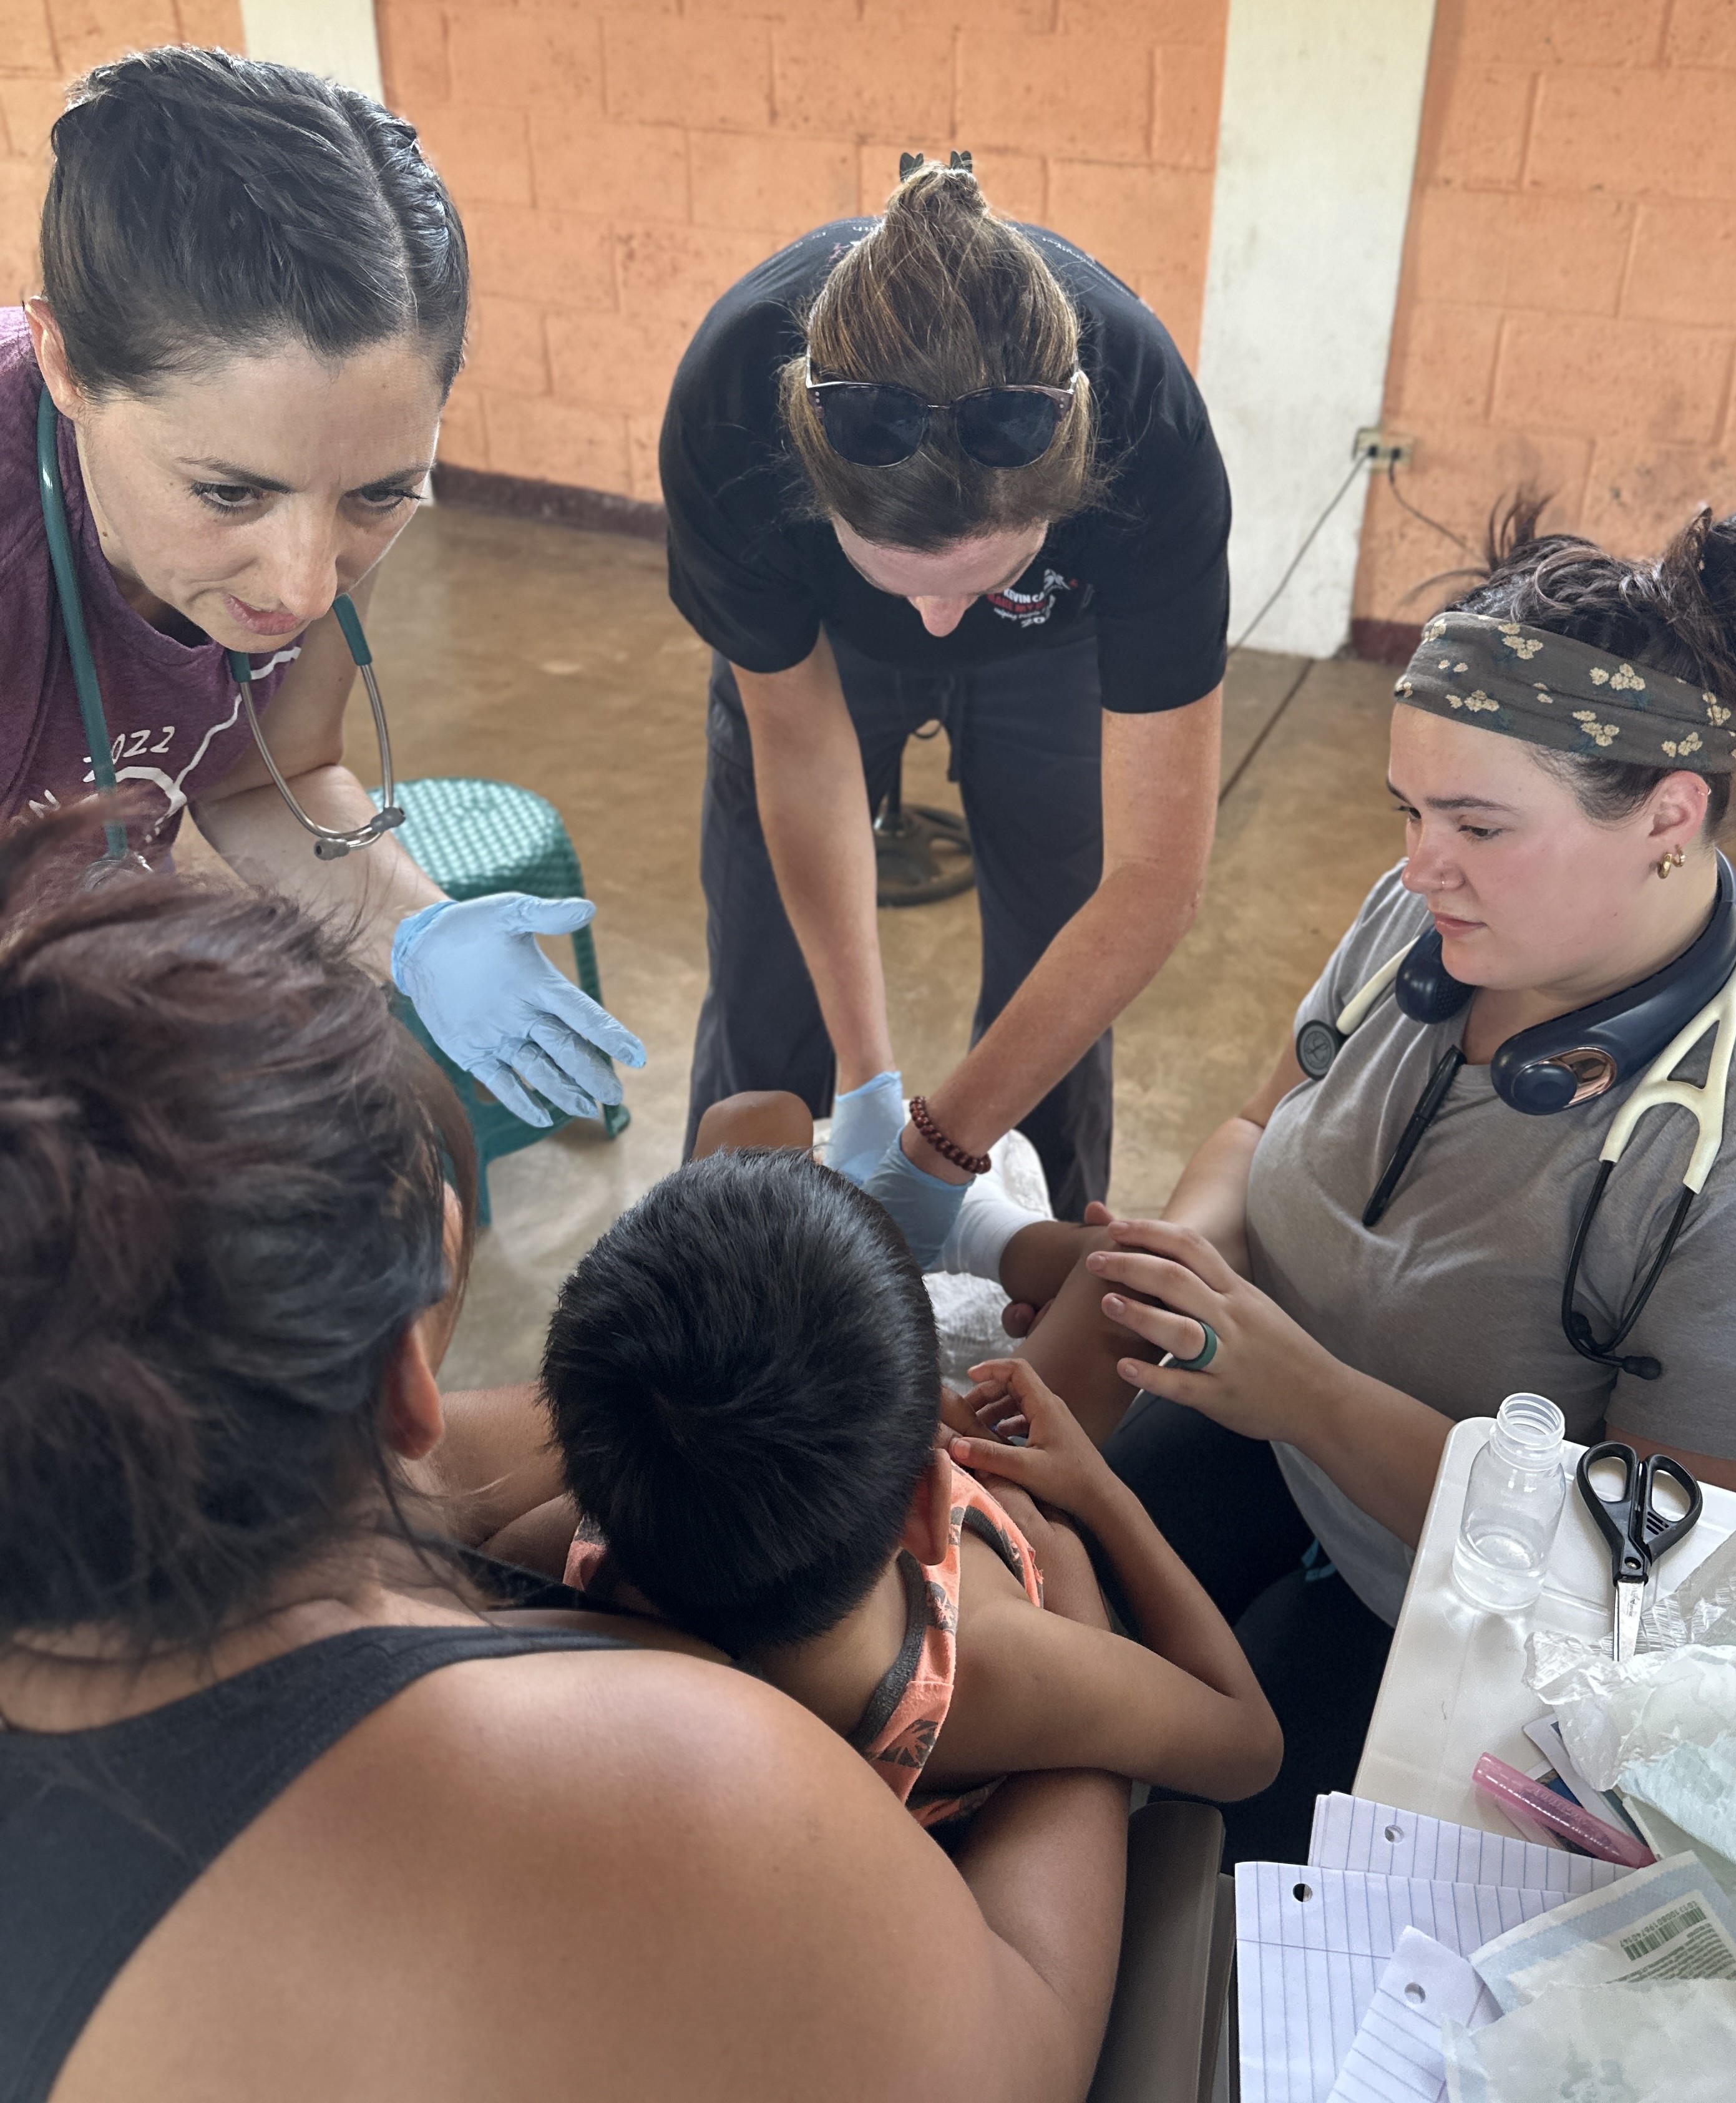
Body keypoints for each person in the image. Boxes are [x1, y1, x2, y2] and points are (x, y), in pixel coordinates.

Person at [0, 816, 1128, 2103]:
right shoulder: (695, 1787)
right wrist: (1074, 1661)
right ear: (409, 1373)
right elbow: (1029, 2040)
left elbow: (607, 1415)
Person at [961, 502, 1736, 1860]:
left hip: (1489, 1609)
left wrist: (1312, 1394)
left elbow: (1681, 1575)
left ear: (1668, 817)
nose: (1415, 866)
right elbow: (1253, 1119)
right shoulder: (1439, 919)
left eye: (1476, 821)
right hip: (1270, 1425)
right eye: (1409, 808)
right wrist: (1185, 1259)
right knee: (1003, 1664)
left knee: (1191, 1860)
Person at [4, 46, 641, 1128]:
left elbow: (265, 778)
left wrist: (413, 927)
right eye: (228, 494)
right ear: (66, 365)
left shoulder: (333, 488)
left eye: (380, 495)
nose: (304, 586)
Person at [661, 154, 1229, 1261]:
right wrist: (871, 1080)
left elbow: (1154, 882)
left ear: (1071, 486)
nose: (936, 622)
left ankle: (1038, 1276)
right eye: (902, 577)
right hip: (819, 644)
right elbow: (801, 754)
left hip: (1053, 645)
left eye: (972, 580)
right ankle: (728, 1290)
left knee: (1057, 962)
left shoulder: (1148, 433)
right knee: (766, 993)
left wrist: (939, 1152)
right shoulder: (732, 404)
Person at [539, 1134, 1281, 1827]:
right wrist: (1091, 1498)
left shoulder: (599, 1544)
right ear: (931, 1503)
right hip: (1021, 1549)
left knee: (752, 1116)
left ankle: (998, 1240)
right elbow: (1249, 1744)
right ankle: (994, 1236)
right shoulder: (1001, 1670)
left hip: (863, 1514)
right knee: (1123, 1275)